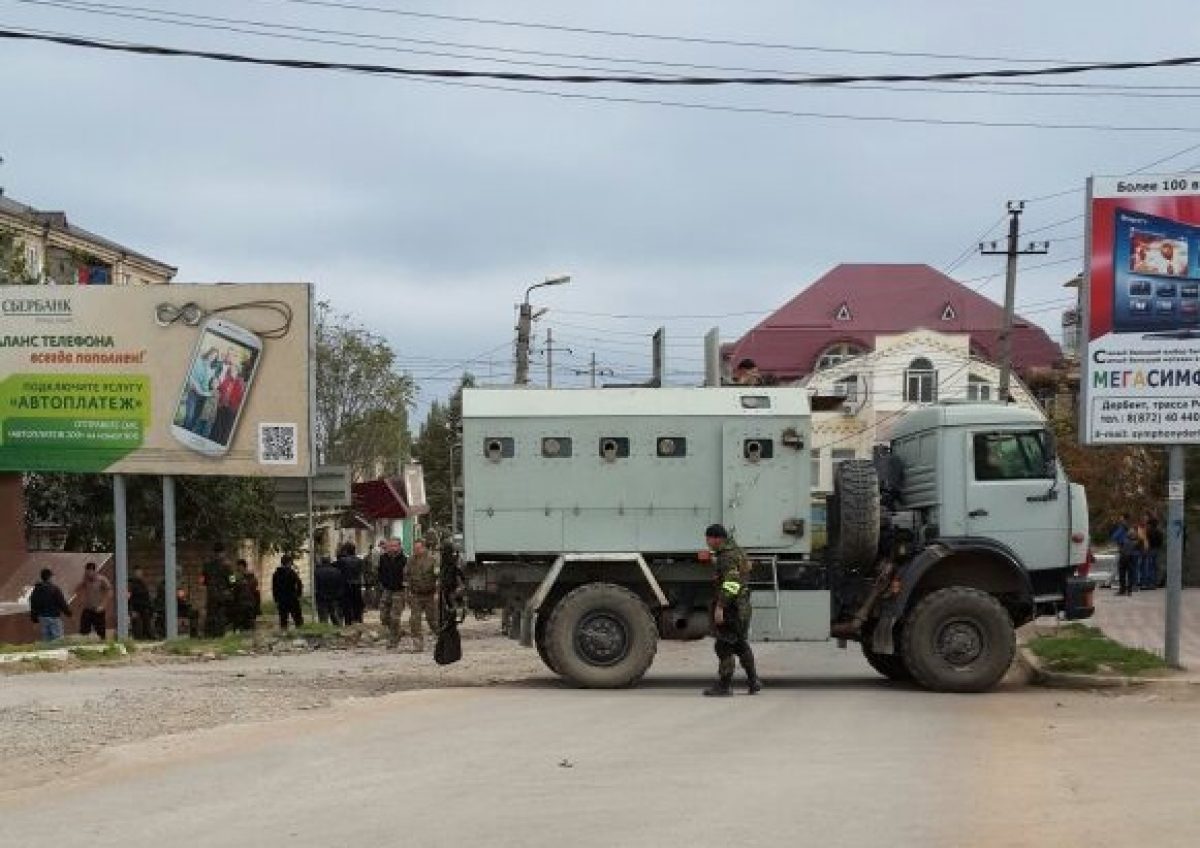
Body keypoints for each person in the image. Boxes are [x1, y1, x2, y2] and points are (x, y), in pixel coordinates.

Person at [701, 524, 761, 697]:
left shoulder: (726, 557)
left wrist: (720, 606)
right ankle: (753, 681)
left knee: (723, 645)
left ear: (716, 538)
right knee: (740, 644)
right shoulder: (738, 552)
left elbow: (732, 583)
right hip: (742, 607)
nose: (707, 542)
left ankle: (724, 686)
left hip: (732, 608)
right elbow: (742, 573)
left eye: (708, 539)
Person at [405, 538, 440, 652]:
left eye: (419, 548)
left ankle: (442, 639)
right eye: (415, 548)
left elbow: (438, 577)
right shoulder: (410, 561)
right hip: (416, 595)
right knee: (415, 620)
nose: (416, 550)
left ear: (424, 548)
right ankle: (418, 645)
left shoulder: (433, 560)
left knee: (433, 620)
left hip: (430, 594)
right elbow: (406, 575)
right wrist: (408, 591)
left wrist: (437, 592)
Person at [377, 538, 407, 648]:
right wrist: (382, 582)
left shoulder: (404, 559)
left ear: (399, 546)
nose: (392, 548)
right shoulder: (383, 558)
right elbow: (380, 572)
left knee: (395, 617)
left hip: (399, 591)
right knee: (384, 616)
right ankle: (397, 632)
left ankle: (393, 640)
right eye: (390, 546)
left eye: (395, 546)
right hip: (387, 589)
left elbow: (407, 575)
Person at [29, 568, 71, 643]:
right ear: (50, 577)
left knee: (46, 640)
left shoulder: (36, 590)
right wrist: (68, 613)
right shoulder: (54, 589)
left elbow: (33, 604)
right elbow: (61, 603)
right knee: (58, 640)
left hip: (42, 619)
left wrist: (34, 619)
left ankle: (48, 653)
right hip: (54, 618)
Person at [201, 543, 234, 637]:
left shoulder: (207, 564)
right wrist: (231, 587)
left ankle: (209, 633)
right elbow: (232, 579)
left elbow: (202, 580)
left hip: (211, 593)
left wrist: (208, 585)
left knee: (210, 613)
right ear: (223, 552)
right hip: (222, 593)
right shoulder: (227, 565)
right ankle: (219, 633)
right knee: (220, 613)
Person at [75, 561, 112, 640]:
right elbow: (77, 589)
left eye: (90, 572)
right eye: (86, 572)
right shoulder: (85, 580)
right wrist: (80, 599)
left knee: (101, 631)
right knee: (84, 631)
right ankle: (84, 644)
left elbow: (109, 593)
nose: (88, 574)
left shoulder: (102, 580)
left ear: (94, 571)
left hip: (99, 609)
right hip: (88, 608)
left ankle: (102, 643)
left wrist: (103, 605)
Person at [271, 555, 305, 630]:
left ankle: (283, 634)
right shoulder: (292, 572)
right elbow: (299, 584)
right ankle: (300, 633)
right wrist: (299, 595)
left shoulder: (276, 574)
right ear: (289, 563)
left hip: (281, 599)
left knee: (283, 619)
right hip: (292, 598)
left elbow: (274, 588)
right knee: (298, 619)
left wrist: (276, 599)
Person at [336, 542, 365, 625]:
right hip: (357, 584)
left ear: (346, 550)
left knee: (346, 604)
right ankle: (358, 619)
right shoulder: (359, 561)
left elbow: (337, 570)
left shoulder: (342, 561)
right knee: (357, 603)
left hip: (346, 584)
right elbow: (361, 572)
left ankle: (348, 621)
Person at [231, 558, 260, 631]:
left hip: (248, 601)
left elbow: (255, 585)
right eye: (237, 566)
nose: (237, 568)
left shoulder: (251, 575)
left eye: (238, 566)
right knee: (240, 620)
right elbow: (231, 585)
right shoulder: (233, 575)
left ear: (243, 566)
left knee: (250, 619)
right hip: (240, 601)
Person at [314, 555, 344, 626]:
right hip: (334, 597)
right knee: (335, 616)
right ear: (330, 561)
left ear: (322, 561)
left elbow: (316, 585)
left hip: (322, 598)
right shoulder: (337, 571)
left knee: (323, 618)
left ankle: (324, 631)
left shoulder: (317, 572)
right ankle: (339, 630)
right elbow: (340, 585)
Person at [128, 567, 154, 640]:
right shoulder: (131, 584)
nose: (139, 575)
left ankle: (148, 637)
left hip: (145, 607)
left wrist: (150, 607)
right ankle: (138, 638)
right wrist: (131, 610)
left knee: (147, 624)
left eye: (140, 573)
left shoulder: (143, 583)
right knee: (137, 625)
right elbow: (128, 598)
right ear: (134, 574)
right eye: (137, 573)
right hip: (135, 607)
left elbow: (147, 597)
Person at [1142, 515, 1164, 589]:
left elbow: (1146, 541)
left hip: (1150, 549)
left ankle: (1149, 583)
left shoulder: (1149, 532)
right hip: (1157, 550)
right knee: (1154, 567)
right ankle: (1154, 582)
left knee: (1149, 566)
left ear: (1150, 524)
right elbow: (1161, 542)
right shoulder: (1159, 532)